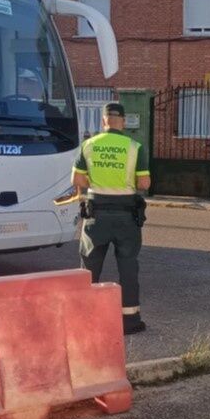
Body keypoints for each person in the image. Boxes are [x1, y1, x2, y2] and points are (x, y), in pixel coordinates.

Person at [72, 102, 151, 334]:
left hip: (96, 213)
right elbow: (144, 183)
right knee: (127, 265)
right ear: (123, 122)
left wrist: (96, 183)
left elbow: (78, 181)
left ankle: (84, 318)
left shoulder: (88, 145)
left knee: (89, 266)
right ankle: (130, 319)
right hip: (126, 215)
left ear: (103, 120)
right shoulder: (135, 147)